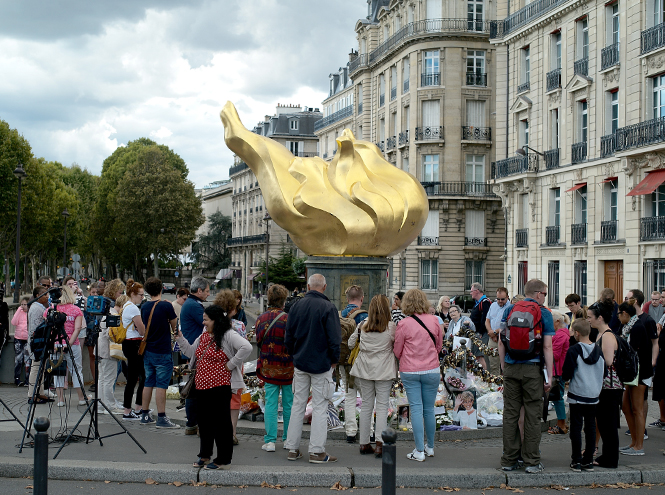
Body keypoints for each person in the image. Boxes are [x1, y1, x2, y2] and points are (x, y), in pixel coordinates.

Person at [176, 304, 252, 470]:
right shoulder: (204, 335)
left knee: (221, 423)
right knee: (204, 422)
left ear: (216, 320)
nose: (203, 323)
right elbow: (191, 352)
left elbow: (247, 347)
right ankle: (204, 455)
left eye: (206, 320)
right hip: (202, 386)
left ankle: (223, 458)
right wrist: (180, 338)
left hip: (220, 386)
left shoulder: (228, 335)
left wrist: (231, 364)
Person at [284, 274, 341, 464]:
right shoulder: (328, 307)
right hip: (321, 364)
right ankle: (316, 451)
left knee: (297, 405)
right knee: (320, 407)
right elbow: (334, 339)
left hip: (300, 362)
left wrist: (295, 354)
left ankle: (292, 448)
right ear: (324, 287)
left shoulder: (296, 306)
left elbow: (288, 337)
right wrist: (334, 360)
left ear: (308, 286)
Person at [499, 279, 554, 474]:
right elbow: (547, 346)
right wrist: (550, 374)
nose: (545, 297)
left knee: (510, 414)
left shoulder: (509, 310)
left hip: (511, 367)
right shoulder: (545, 313)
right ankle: (531, 461)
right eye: (545, 294)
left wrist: (504, 367)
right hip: (533, 369)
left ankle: (509, 459)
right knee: (532, 415)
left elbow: (501, 341)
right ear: (538, 294)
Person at [394, 289, 442, 462]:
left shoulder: (404, 323)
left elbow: (397, 349)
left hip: (410, 370)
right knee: (429, 409)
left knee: (416, 408)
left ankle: (419, 450)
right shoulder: (435, 320)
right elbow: (439, 345)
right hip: (431, 369)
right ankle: (430, 447)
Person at [349, 294, 397, 457]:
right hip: (384, 370)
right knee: (382, 406)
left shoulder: (362, 324)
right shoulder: (390, 327)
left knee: (366, 405)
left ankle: (363, 443)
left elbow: (350, 343)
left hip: (364, 369)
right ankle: (380, 444)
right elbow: (396, 347)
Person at [561, 319, 604, 472]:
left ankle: (576, 460)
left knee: (576, 427)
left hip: (577, 394)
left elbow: (566, 373)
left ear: (577, 333)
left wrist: (564, 379)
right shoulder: (599, 350)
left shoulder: (574, 350)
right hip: (593, 394)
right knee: (591, 427)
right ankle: (588, 461)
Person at [255, 284, 292, 453]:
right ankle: (288, 439)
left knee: (270, 403)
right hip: (287, 368)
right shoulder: (288, 318)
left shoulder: (261, 319)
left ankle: (270, 441)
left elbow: (258, 341)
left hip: (268, 367)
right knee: (289, 404)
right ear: (283, 300)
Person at [138, 277, 179, 428]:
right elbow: (175, 327)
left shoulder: (144, 307)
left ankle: (144, 414)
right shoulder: (165, 306)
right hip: (162, 349)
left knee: (149, 381)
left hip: (148, 349)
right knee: (162, 384)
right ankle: (161, 417)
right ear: (161, 288)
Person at [587, 298, 622, 468]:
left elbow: (608, 361)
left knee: (608, 423)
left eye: (590, 317)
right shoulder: (601, 334)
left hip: (610, 386)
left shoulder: (607, 336)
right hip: (603, 385)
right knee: (603, 421)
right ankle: (606, 455)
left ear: (599, 318)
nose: (588, 320)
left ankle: (611, 458)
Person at [618, 299, 652, 456]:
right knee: (625, 407)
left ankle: (639, 446)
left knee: (637, 409)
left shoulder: (637, 327)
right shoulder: (628, 326)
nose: (618, 317)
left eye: (619, 314)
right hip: (632, 373)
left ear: (625, 313)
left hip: (639, 373)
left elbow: (633, 351)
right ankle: (633, 442)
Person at [214, 289, 249, 443]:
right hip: (233, 367)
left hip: (215, 366)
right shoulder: (239, 326)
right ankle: (232, 433)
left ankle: (216, 430)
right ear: (232, 308)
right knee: (234, 400)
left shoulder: (210, 325)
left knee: (216, 399)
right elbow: (246, 347)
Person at [47, 286, 88, 407]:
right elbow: (77, 329)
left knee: (58, 371)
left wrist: (52, 342)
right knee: (76, 370)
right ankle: (81, 398)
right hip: (72, 344)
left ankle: (60, 399)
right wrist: (69, 343)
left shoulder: (51, 309)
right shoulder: (76, 310)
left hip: (55, 344)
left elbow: (48, 329)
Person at [179, 276, 210, 435]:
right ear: (199, 291)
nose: (208, 294)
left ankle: (192, 423)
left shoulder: (190, 303)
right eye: (206, 291)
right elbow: (208, 322)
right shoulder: (195, 306)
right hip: (196, 351)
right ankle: (192, 423)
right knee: (194, 389)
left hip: (192, 349)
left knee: (193, 388)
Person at [626, 289, 658, 440]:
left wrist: (653, 360)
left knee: (642, 399)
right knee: (630, 401)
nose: (625, 300)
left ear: (635, 301)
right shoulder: (630, 319)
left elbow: (655, 342)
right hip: (632, 366)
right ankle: (635, 430)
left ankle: (641, 429)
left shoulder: (647, 320)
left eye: (628, 298)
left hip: (643, 365)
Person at [339, 284, 367, 444]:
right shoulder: (365, 316)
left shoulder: (340, 314)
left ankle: (350, 432)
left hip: (344, 362)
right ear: (361, 299)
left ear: (347, 298)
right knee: (366, 398)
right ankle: (368, 432)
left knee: (349, 396)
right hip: (360, 362)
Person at [97, 281, 127, 414]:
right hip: (108, 351)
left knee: (102, 379)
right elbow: (110, 334)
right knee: (109, 379)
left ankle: (101, 404)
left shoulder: (106, 311)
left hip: (101, 350)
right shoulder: (113, 315)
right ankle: (109, 405)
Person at [121, 279, 147, 421]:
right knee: (138, 378)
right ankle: (132, 409)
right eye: (140, 295)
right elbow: (142, 329)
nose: (142, 297)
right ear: (132, 293)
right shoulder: (133, 308)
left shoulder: (125, 305)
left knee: (135, 377)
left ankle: (134, 408)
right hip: (134, 344)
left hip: (128, 343)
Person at [26, 286, 51, 404]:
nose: (47, 296)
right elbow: (36, 328)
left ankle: (40, 392)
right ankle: (32, 394)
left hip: (40, 341)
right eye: (44, 294)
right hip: (37, 342)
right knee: (36, 367)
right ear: (37, 296)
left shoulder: (39, 307)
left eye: (47, 294)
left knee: (41, 367)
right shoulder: (36, 308)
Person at [547, 311, 570, 435]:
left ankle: (561, 424)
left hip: (558, 370)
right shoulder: (561, 333)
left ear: (557, 322)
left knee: (558, 398)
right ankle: (562, 423)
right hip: (558, 369)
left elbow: (555, 355)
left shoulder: (560, 335)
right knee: (557, 397)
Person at [486, 288, 509, 375]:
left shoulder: (510, 307)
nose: (500, 301)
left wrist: (495, 332)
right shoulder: (493, 305)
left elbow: (507, 325)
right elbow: (487, 320)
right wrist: (491, 332)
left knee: (505, 366)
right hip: (493, 339)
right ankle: (495, 386)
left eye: (502, 299)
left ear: (507, 297)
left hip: (503, 339)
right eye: (498, 299)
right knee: (493, 365)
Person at [469, 283, 491, 371]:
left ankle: (483, 376)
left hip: (481, 333)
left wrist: (481, 332)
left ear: (477, 291)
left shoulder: (485, 302)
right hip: (476, 333)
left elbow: (485, 318)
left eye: (471, 291)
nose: (470, 293)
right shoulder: (478, 303)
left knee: (479, 355)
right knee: (477, 355)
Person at [11, 297, 30, 386]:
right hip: (18, 338)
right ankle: (17, 379)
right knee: (18, 359)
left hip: (27, 339)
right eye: (21, 304)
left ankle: (28, 379)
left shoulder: (30, 313)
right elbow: (13, 322)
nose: (23, 306)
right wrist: (18, 310)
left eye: (25, 304)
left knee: (27, 360)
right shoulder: (19, 312)